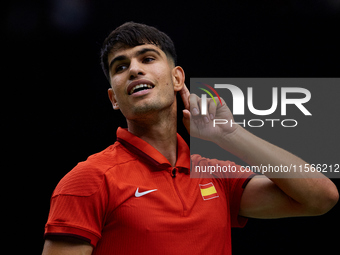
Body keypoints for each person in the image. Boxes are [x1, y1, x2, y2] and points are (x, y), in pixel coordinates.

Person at [42, 22, 338, 255]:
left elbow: (321, 198)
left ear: (177, 79)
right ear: (113, 99)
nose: (134, 69)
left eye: (147, 58)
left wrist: (231, 135)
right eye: (120, 67)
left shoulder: (215, 177)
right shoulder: (88, 180)